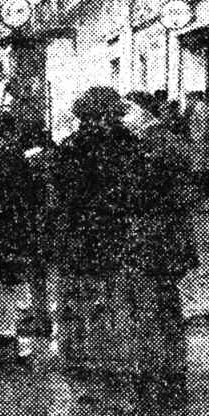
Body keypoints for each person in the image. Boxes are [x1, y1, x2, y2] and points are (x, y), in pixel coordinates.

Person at [50, 86, 136, 388]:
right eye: (112, 115)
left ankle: (84, 376)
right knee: (109, 307)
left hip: (80, 240)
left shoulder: (67, 149)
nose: (116, 120)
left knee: (80, 306)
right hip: (108, 239)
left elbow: (57, 201)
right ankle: (106, 377)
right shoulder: (126, 146)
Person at [122, 91, 200, 405]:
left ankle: (159, 384)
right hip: (167, 241)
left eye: (127, 112)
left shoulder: (154, 145)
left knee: (152, 312)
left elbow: (149, 194)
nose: (123, 119)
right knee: (166, 310)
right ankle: (172, 382)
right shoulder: (165, 142)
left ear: (143, 113)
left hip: (154, 241)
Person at [0, 111, 42, 355]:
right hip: (19, 230)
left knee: (0, 285)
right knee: (16, 283)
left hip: (0, 230)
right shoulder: (19, 159)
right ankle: (16, 340)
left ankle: (3, 342)